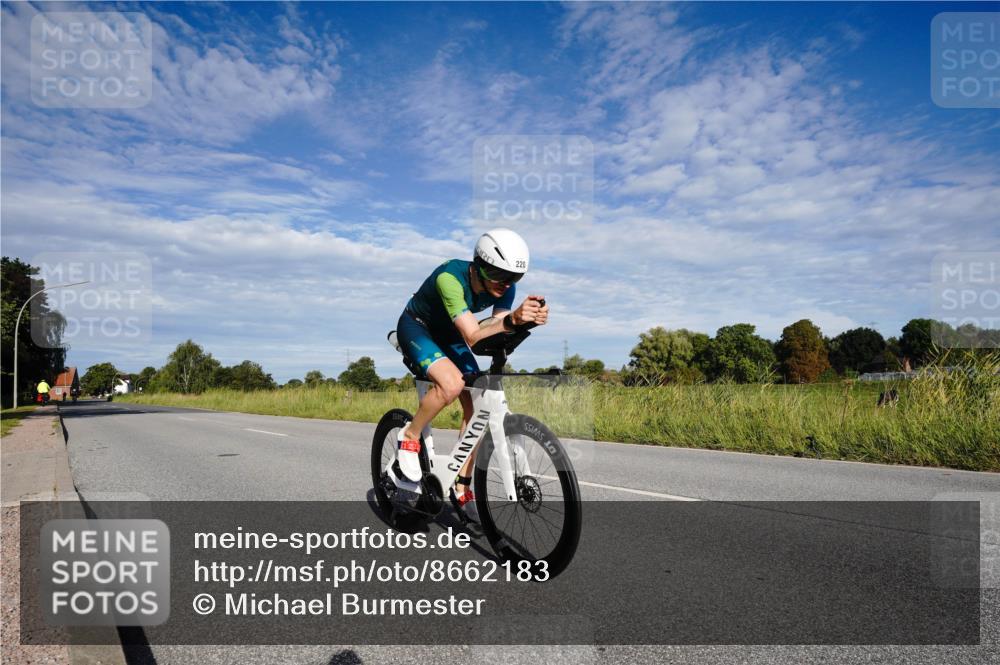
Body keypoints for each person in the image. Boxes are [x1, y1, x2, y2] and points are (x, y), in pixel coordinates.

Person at [394, 228, 548, 513]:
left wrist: (523, 322)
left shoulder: (505, 287)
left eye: (514, 277)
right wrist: (513, 319)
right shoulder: (449, 278)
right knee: (451, 385)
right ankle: (410, 436)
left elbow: (494, 329)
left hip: (451, 333)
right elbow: (475, 336)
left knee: (479, 403)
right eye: (498, 274)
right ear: (478, 265)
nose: (506, 284)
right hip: (418, 327)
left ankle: (461, 482)